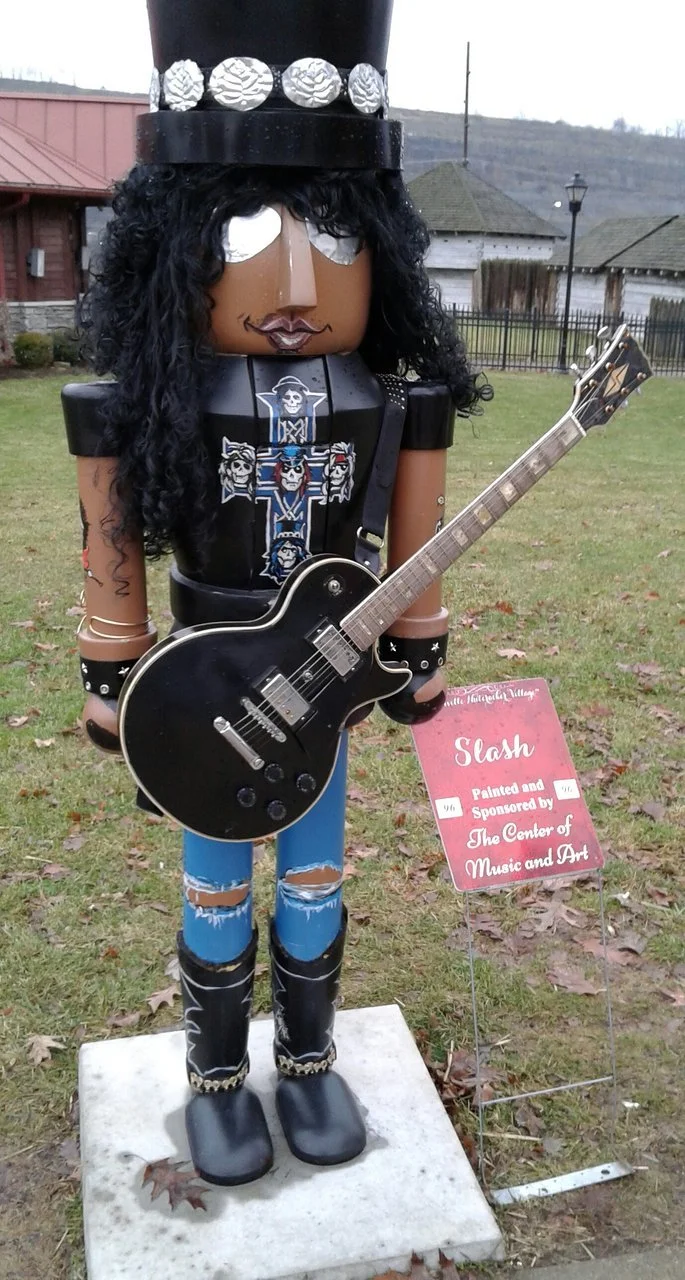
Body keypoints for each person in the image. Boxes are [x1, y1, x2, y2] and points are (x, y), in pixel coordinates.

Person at [62, 0, 486, 1188]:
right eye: (247, 236)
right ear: (175, 254)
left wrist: (416, 639)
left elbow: (416, 533)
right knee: (213, 867)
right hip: (201, 678)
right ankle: (213, 1081)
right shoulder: (160, 397)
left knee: (312, 865)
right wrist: (112, 664)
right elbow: (109, 535)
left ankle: (305, 1063)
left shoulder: (388, 401)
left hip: (329, 680)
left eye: (332, 248)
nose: (295, 286)